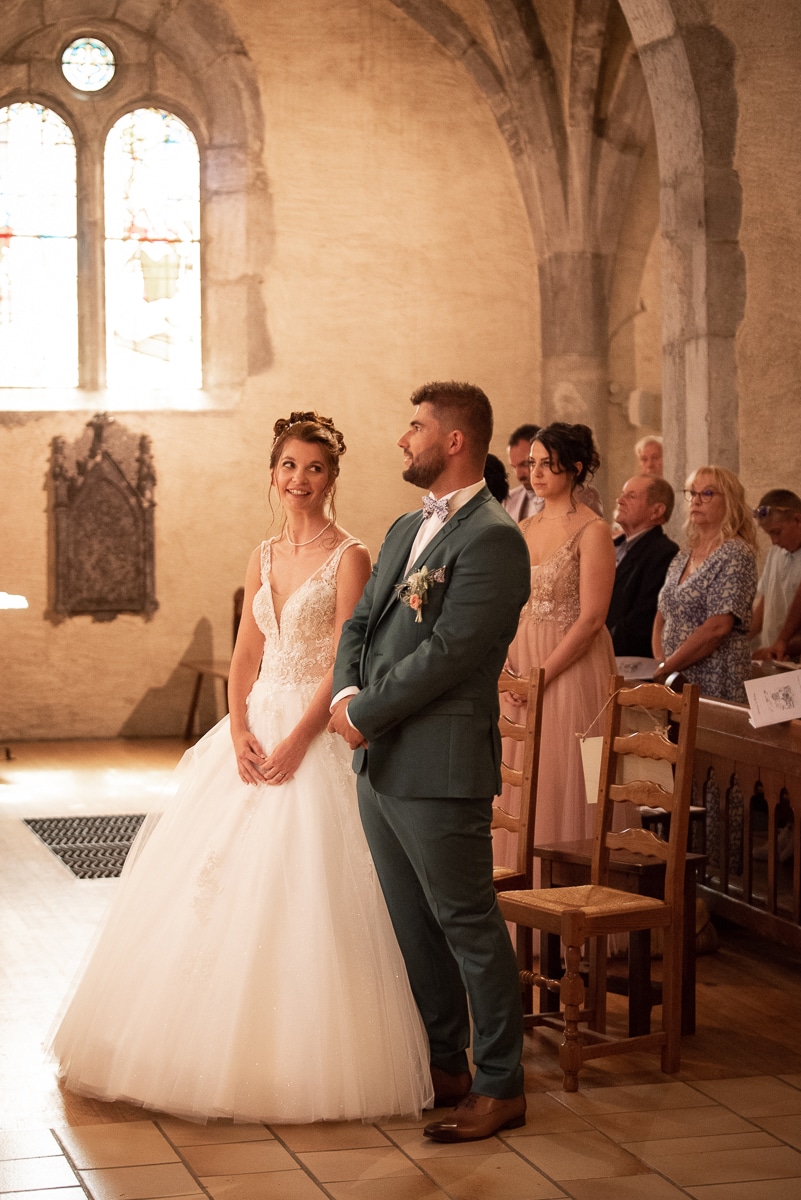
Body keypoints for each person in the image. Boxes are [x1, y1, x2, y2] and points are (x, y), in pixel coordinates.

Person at [52, 412, 434, 1124]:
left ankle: (307, 1057)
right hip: (252, 725)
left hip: (312, 734)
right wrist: (237, 735)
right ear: (272, 473)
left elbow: (344, 660)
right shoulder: (259, 556)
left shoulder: (351, 556)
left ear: (332, 477)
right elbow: (243, 657)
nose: (299, 481)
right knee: (207, 881)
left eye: (314, 468)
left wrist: (298, 739)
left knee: (309, 885)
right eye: (289, 466)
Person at [329, 381, 531, 1144]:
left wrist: (365, 713)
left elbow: (452, 655)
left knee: (467, 924)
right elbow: (360, 621)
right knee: (411, 924)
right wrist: (348, 695)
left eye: (414, 427)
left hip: (439, 763)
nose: (402, 438)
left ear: (453, 440)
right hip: (381, 759)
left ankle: (501, 1081)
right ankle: (445, 1064)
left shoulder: (492, 538)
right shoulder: (401, 529)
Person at [494, 422, 616, 869]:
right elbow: (508, 603)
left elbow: (592, 619)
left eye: (548, 464)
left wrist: (541, 675)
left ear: (576, 468)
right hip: (520, 662)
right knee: (517, 782)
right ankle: (516, 903)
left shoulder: (594, 530)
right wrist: (508, 669)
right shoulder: (522, 527)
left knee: (564, 778)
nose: (537, 473)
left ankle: (571, 904)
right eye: (533, 464)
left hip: (570, 667)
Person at [653, 466, 757, 702]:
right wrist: (661, 663)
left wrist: (669, 665)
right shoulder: (684, 554)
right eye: (692, 493)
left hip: (714, 675)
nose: (697, 500)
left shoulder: (735, 553)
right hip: (675, 676)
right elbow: (662, 615)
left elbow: (717, 628)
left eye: (707, 493)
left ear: (729, 502)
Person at [607, 476, 678, 657]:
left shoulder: (663, 552)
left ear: (656, 511)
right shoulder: (610, 546)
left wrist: (600, 646)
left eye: (631, 496)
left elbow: (643, 618)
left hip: (627, 659)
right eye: (622, 494)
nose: (619, 500)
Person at [749, 490, 801, 654]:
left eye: (776, 532)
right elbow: (766, 601)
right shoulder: (776, 553)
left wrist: (782, 646)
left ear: (798, 519)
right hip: (776, 652)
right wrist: (741, 641)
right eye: (769, 534)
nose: (774, 541)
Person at [503, 421, 543, 521]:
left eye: (525, 464)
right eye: (514, 467)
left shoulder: (577, 499)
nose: (519, 475)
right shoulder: (509, 501)